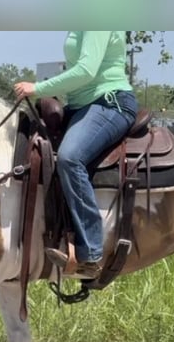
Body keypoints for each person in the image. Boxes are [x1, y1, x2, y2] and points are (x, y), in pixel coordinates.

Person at [14, 31, 138, 279]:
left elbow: (86, 71)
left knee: (70, 157)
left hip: (109, 102)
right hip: (81, 106)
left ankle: (91, 253)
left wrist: (38, 88)